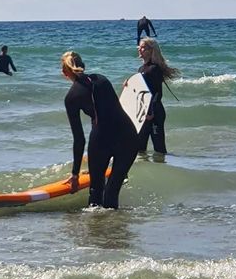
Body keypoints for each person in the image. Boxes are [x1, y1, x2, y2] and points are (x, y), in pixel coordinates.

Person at [62, 51, 138, 209]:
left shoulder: (71, 97)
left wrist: (75, 174)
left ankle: (98, 230)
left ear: (65, 72)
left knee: (96, 194)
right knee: (112, 192)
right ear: (83, 66)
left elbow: (79, 139)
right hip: (129, 137)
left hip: (101, 140)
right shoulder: (101, 79)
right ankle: (115, 230)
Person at [133, 38, 180, 158]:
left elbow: (157, 93)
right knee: (140, 148)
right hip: (144, 113)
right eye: (139, 47)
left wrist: (151, 112)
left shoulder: (154, 69)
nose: (139, 49)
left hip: (155, 113)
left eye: (143, 47)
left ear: (151, 50)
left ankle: (163, 167)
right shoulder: (141, 69)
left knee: (159, 148)